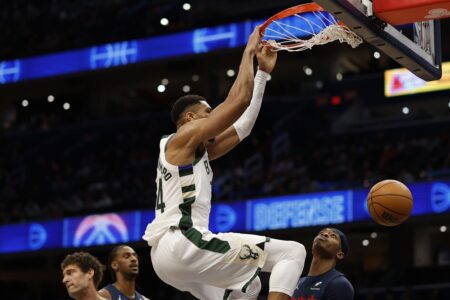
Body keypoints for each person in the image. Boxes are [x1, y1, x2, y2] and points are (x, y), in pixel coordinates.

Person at [143, 26, 306, 300]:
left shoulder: (194, 151)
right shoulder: (181, 138)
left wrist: (263, 75)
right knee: (293, 252)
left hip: (166, 259)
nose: (214, 118)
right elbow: (238, 101)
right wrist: (249, 52)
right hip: (184, 242)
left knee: (249, 287)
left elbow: (243, 127)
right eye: (208, 113)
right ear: (190, 119)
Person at [292, 228, 354, 300]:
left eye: (333, 235)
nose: (324, 234)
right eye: (321, 233)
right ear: (312, 248)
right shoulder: (296, 282)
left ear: (339, 254)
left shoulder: (340, 284)